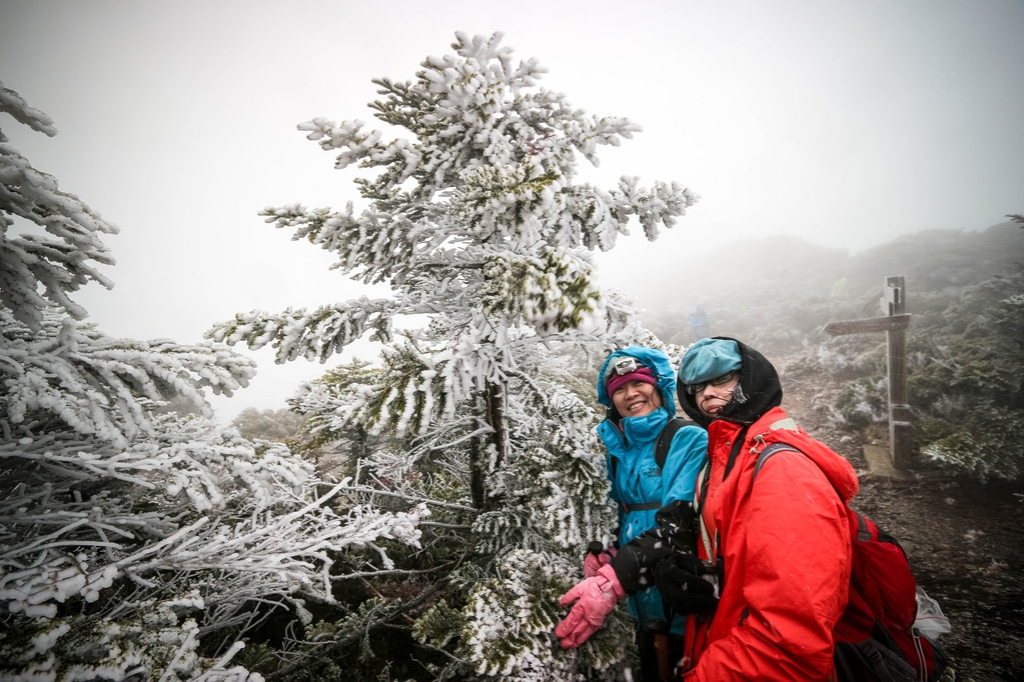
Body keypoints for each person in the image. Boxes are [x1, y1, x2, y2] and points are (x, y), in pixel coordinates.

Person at [658, 336, 859, 681]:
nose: (707, 394)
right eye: (696, 387)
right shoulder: (726, 458)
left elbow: (789, 645)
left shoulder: (783, 471)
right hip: (729, 647)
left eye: (722, 379)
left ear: (750, 376)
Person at [555, 346, 708, 682]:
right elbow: (622, 512)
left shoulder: (686, 439)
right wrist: (607, 550)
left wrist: (613, 581)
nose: (631, 394)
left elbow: (680, 525)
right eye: (619, 390)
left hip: (685, 595)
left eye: (638, 383)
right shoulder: (619, 450)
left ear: (659, 387)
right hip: (641, 598)